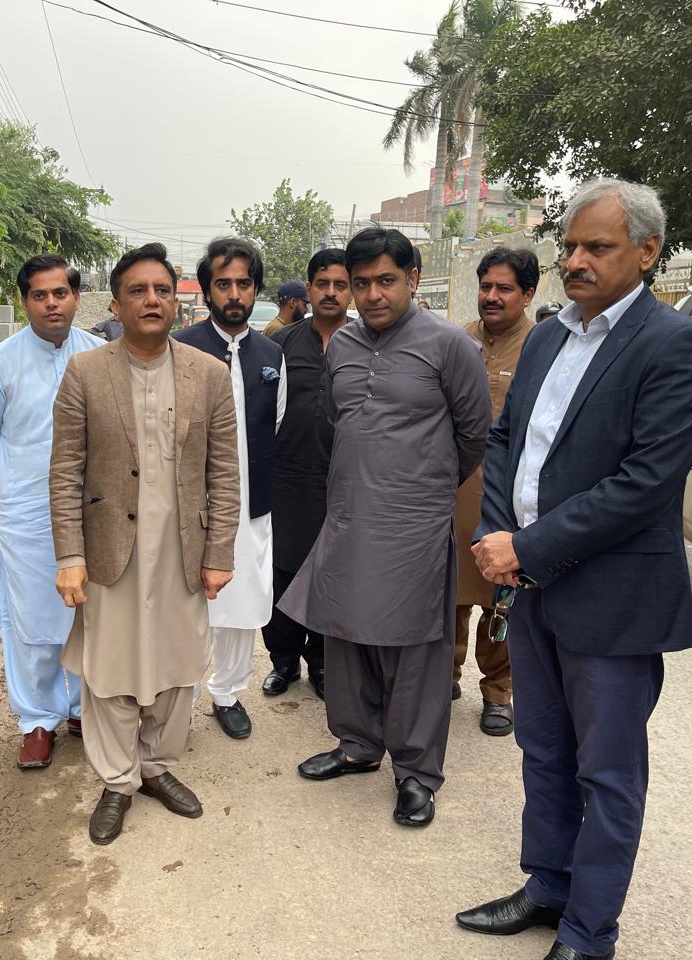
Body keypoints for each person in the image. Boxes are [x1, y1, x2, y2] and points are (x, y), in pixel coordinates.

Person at [456, 179, 692, 960]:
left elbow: (644, 485)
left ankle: (588, 931)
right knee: (543, 750)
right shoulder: (547, 338)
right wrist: (497, 532)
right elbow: (506, 440)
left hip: (612, 598)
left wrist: (527, 547)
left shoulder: (676, 346)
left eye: (596, 247)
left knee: (607, 774)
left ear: (647, 252)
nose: (575, 260)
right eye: (569, 245)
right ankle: (547, 887)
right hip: (532, 589)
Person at [281, 228, 491, 827]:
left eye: (386, 281)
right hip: (349, 515)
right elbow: (336, 420)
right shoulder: (342, 345)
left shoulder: (451, 346)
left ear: (413, 279)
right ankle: (357, 745)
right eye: (361, 283)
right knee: (346, 637)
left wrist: (419, 485)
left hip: (414, 524)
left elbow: (474, 435)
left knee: (413, 648)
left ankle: (417, 771)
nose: (372, 294)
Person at [50, 243, 240, 845]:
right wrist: (70, 557)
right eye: (137, 291)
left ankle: (155, 767)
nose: (151, 300)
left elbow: (225, 473)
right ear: (116, 304)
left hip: (183, 550)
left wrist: (220, 554)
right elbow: (65, 472)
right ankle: (117, 780)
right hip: (111, 551)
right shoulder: (85, 372)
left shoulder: (208, 374)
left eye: (161, 290)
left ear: (177, 302)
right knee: (109, 669)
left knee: (177, 666)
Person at [0, 254, 104, 769]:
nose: (51, 304)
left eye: (60, 293)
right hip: (26, 515)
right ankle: (37, 720)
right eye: (39, 295)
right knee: (30, 621)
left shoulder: (100, 357)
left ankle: (82, 708)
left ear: (76, 297)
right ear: (24, 301)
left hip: (91, 512)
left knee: (89, 613)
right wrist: (25, 479)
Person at [174, 237, 286, 740]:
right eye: (224, 284)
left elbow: (276, 422)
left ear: (256, 289)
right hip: (190, 503)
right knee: (186, 601)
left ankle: (227, 692)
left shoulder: (272, 354)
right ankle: (180, 695)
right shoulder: (181, 348)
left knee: (242, 602)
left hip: (250, 502)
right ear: (207, 290)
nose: (234, 294)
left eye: (244, 283)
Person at [452, 246, 538, 736]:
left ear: (528, 294)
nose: (492, 296)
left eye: (504, 288)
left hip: (509, 495)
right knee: (449, 592)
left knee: (500, 597)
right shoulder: (457, 339)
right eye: (486, 286)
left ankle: (498, 691)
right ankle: (443, 676)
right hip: (455, 489)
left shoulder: (541, 346)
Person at [261, 248, 352, 699]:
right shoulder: (281, 344)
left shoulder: (366, 343)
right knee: (281, 571)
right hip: (287, 478)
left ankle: (322, 662)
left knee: (330, 573)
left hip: (342, 481)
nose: (331, 292)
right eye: (322, 283)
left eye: (340, 284)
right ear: (309, 288)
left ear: (351, 290)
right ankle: (283, 662)